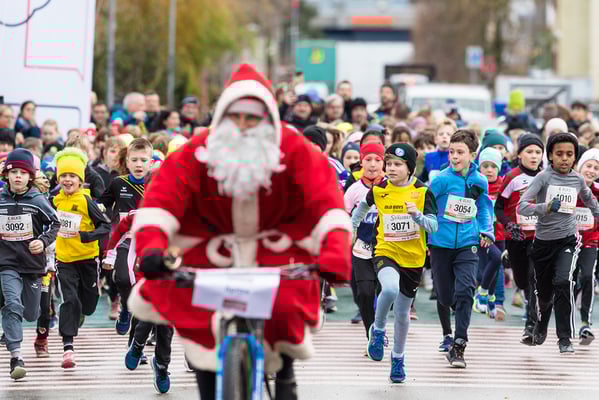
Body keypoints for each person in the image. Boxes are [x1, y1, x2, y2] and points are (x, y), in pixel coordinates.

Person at [127, 64, 352, 400]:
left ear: (269, 118)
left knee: (285, 309)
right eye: (235, 117)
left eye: (253, 118)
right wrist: (152, 247)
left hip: (277, 254)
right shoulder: (198, 150)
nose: (244, 126)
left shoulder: (294, 148)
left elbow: (325, 202)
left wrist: (334, 252)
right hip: (209, 256)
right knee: (198, 323)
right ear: (222, 118)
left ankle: (285, 375)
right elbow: (162, 200)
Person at [351, 143, 437, 382]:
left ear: (410, 168)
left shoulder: (422, 191)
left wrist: (417, 216)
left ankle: (398, 358)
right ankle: (377, 330)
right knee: (389, 288)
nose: (391, 168)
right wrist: (352, 227)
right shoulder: (380, 189)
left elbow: (434, 226)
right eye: (388, 164)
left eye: (398, 164)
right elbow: (362, 208)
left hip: (413, 258)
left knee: (402, 313)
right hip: (385, 251)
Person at [519, 133, 599, 353]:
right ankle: (541, 325)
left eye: (569, 154)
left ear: (575, 158)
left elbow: (592, 203)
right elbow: (522, 207)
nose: (564, 158)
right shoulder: (543, 178)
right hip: (543, 243)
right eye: (559, 154)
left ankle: (565, 338)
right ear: (550, 156)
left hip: (568, 240)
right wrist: (545, 207)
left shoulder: (578, 180)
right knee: (544, 294)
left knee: (564, 282)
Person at [428, 129, 495, 368]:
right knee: (446, 296)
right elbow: (427, 206)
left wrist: (486, 230)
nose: (454, 157)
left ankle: (459, 345)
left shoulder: (480, 180)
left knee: (466, 290)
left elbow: (484, 208)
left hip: (468, 243)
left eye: (460, 152)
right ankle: (452, 321)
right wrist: (427, 232)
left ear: (472, 155)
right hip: (440, 243)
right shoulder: (440, 180)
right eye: (451, 152)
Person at [0, 149, 60, 380]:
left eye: (23, 173)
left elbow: (55, 223)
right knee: (12, 304)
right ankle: (16, 356)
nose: (18, 176)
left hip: (33, 264)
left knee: (31, 313)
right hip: (7, 263)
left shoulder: (37, 200)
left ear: (30, 177)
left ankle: (15, 327)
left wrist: (42, 241)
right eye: (14, 172)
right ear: (6, 175)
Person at [52, 148, 111, 368]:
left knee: (88, 305)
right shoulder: (54, 201)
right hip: (64, 259)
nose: (67, 180)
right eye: (63, 175)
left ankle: (82, 312)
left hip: (87, 258)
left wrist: (86, 236)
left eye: (72, 176)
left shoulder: (86, 201)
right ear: (58, 179)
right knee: (69, 300)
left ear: (80, 180)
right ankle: (68, 348)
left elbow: (105, 226)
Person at [99, 138, 153, 335]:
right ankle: (126, 307)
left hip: (149, 240)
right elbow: (102, 203)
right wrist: (95, 207)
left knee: (143, 284)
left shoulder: (156, 183)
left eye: (143, 160)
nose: (139, 164)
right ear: (127, 162)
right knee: (122, 278)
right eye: (134, 160)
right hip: (124, 238)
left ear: (151, 162)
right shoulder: (118, 183)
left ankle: (139, 333)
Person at [495, 134, 544, 341]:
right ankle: (510, 259)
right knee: (522, 280)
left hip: (539, 236)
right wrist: (509, 224)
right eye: (529, 151)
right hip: (516, 236)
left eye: (538, 152)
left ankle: (530, 325)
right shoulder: (512, 177)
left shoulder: (547, 177)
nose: (534, 156)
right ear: (520, 154)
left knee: (533, 278)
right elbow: (499, 207)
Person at [344, 143, 386, 335]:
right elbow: (343, 215)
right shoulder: (353, 190)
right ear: (361, 162)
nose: (372, 164)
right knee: (365, 293)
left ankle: (381, 325)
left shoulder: (391, 186)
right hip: (361, 247)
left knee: (387, 291)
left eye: (377, 160)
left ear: (384, 163)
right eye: (368, 159)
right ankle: (372, 335)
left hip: (387, 247)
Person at [473, 148, 505, 319]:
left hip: (501, 233)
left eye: (493, 166)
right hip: (483, 234)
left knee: (494, 267)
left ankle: (491, 296)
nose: (489, 170)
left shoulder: (504, 185)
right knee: (494, 259)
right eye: (485, 166)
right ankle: (483, 292)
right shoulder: (477, 184)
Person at [574, 148, 599, 345]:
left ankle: (585, 322)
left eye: (596, 168)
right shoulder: (569, 187)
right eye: (588, 166)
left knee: (588, 275)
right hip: (567, 241)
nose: (591, 170)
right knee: (569, 280)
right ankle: (566, 317)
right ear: (579, 166)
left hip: (590, 242)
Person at [419, 118, 457, 184]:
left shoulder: (457, 158)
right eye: (441, 134)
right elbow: (422, 179)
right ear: (435, 139)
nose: (444, 136)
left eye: (448, 134)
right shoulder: (429, 157)